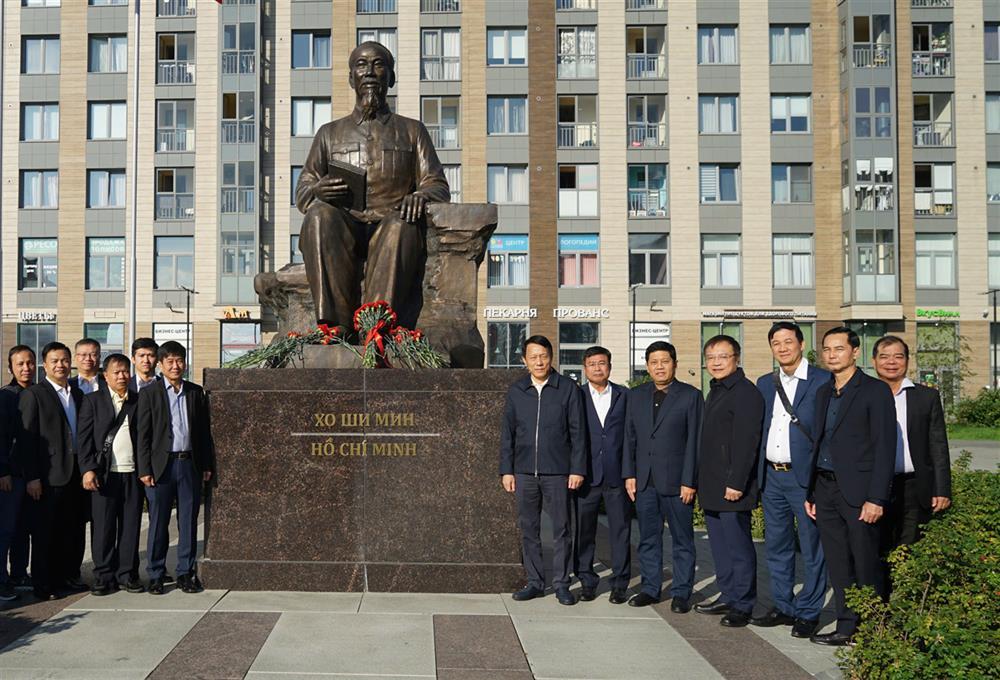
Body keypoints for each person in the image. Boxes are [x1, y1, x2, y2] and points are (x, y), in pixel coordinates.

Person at [295, 41, 450, 331]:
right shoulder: (329, 134)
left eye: (378, 65)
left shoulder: (412, 130)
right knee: (318, 216)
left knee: (402, 222)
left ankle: (376, 326)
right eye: (361, 65)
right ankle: (332, 325)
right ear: (351, 77)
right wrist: (317, 191)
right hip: (344, 226)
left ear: (390, 77)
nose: (369, 72)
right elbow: (303, 189)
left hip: (391, 223)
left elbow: (437, 185)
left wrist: (420, 195)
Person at [806, 327, 895, 646]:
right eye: (827, 349)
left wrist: (876, 498)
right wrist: (811, 492)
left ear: (855, 352)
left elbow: (885, 447)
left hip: (860, 493)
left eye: (839, 349)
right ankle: (846, 626)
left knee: (865, 561)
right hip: (825, 489)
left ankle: (873, 629)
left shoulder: (874, 391)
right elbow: (818, 444)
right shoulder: (822, 392)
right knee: (838, 562)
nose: (831, 355)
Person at [751, 323, 830, 639]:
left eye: (788, 341)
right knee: (777, 545)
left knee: (812, 547)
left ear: (801, 343)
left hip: (805, 479)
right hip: (772, 477)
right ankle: (784, 605)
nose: (782, 348)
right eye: (776, 343)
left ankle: (809, 611)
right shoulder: (765, 383)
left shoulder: (822, 381)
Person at [499, 335, 586, 606]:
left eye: (543, 355)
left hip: (558, 472)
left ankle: (561, 583)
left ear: (551, 357)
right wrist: (507, 470)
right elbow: (508, 434)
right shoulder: (517, 391)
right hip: (524, 472)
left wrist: (577, 469)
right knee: (529, 529)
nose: (539, 361)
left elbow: (578, 432)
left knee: (561, 529)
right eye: (533, 356)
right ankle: (535, 582)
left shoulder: (568, 389)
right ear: (524, 360)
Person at [623, 341, 703, 613]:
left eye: (665, 361)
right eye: (654, 362)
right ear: (647, 366)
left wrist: (690, 480)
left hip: (677, 483)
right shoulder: (636, 396)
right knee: (648, 538)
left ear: (675, 364)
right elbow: (629, 438)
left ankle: (681, 592)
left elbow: (695, 441)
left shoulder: (690, 396)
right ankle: (650, 588)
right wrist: (629, 474)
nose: (659, 366)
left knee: (682, 540)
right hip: (644, 481)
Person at [695, 335, 764, 628]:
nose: (716, 362)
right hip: (712, 485)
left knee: (738, 546)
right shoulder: (717, 389)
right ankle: (728, 593)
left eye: (722, 356)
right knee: (720, 547)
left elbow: (747, 442)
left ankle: (744, 603)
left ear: (736, 358)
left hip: (732, 487)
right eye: (711, 357)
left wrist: (736, 482)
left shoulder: (745, 392)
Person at [136, 341, 215, 595]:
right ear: (160, 364)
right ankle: (157, 574)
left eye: (179, 360)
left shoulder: (194, 392)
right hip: (161, 467)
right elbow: (143, 435)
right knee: (159, 522)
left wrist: (205, 464)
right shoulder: (150, 392)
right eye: (169, 361)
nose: (175, 365)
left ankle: (185, 573)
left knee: (188, 521)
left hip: (189, 464)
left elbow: (203, 433)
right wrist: (144, 468)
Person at [15, 342, 87, 601]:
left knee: (69, 530)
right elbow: (27, 440)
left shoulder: (77, 394)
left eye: (65, 360)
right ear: (45, 364)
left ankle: (65, 577)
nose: (61, 365)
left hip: (75, 474)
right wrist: (32, 477)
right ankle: (43, 584)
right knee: (45, 533)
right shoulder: (34, 394)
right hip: (47, 476)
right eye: (55, 360)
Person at [872, 335, 951, 550]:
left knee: (910, 545)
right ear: (874, 361)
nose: (891, 362)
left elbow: (938, 445)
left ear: (907, 360)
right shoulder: (863, 396)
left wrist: (942, 488)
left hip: (915, 485)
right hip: (874, 485)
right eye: (884, 357)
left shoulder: (926, 397)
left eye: (898, 356)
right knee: (877, 546)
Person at [78, 354, 144, 596]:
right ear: (105, 375)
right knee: (103, 528)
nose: (121, 376)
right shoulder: (92, 401)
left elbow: (145, 438)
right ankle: (104, 576)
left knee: (130, 527)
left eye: (125, 371)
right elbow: (84, 440)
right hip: (104, 476)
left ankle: (127, 574)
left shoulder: (139, 400)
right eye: (116, 372)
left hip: (132, 474)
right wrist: (87, 470)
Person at [573, 346, 631, 604]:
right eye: (592, 364)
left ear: (610, 366)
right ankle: (587, 580)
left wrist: (630, 473)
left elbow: (631, 438)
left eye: (602, 363)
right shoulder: (575, 396)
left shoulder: (624, 395)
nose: (598, 368)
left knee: (621, 531)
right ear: (585, 368)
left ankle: (620, 584)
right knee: (584, 532)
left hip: (617, 475)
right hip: (586, 476)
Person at [0, 346, 36, 601]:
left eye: (30, 363)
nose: (26, 368)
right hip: (10, 475)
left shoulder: (38, 393)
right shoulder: (5, 396)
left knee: (24, 527)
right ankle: (2, 580)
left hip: (32, 474)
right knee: (6, 529)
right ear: (10, 367)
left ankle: (20, 572)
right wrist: (2, 471)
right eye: (20, 364)